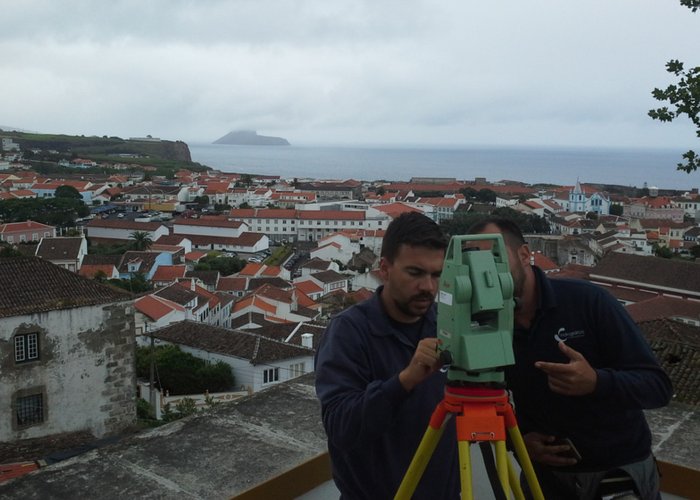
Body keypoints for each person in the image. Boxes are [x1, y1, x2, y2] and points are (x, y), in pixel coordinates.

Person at [468, 217, 672, 500]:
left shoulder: (589, 301)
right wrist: (518, 442)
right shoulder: (484, 325)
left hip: (617, 473)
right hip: (544, 480)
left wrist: (597, 382)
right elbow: (482, 401)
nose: (487, 272)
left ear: (525, 255)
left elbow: (658, 387)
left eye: (495, 257)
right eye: (477, 264)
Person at [315, 211, 460, 499]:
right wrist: (405, 380)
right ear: (385, 268)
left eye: (436, 274)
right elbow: (341, 427)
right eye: (415, 273)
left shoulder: (447, 323)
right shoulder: (348, 332)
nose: (428, 287)